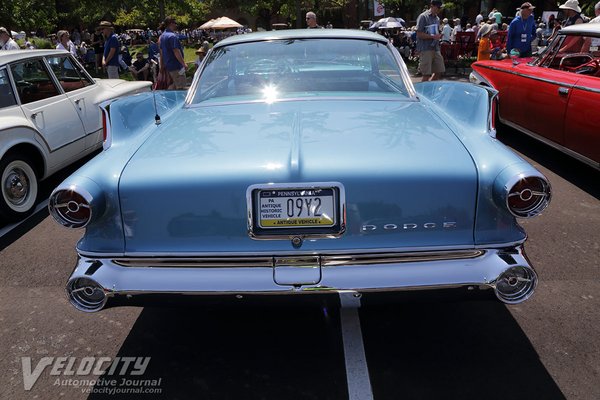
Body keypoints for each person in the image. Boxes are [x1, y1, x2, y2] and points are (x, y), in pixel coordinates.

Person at [416, 0, 445, 82]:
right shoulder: (423, 17)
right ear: (432, 6)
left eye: (440, 8)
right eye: (438, 7)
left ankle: (430, 89)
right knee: (426, 74)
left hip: (435, 48)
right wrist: (433, 36)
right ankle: (423, 92)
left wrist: (439, 34)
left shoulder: (437, 19)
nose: (439, 9)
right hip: (425, 48)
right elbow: (419, 34)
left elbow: (436, 32)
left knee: (439, 71)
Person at [159, 16, 187, 90]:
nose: (176, 25)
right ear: (171, 23)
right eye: (175, 23)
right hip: (176, 66)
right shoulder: (172, 36)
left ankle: (167, 98)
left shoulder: (162, 36)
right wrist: (183, 63)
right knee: (181, 88)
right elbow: (176, 51)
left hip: (169, 66)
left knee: (174, 85)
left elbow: (161, 52)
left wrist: (161, 66)